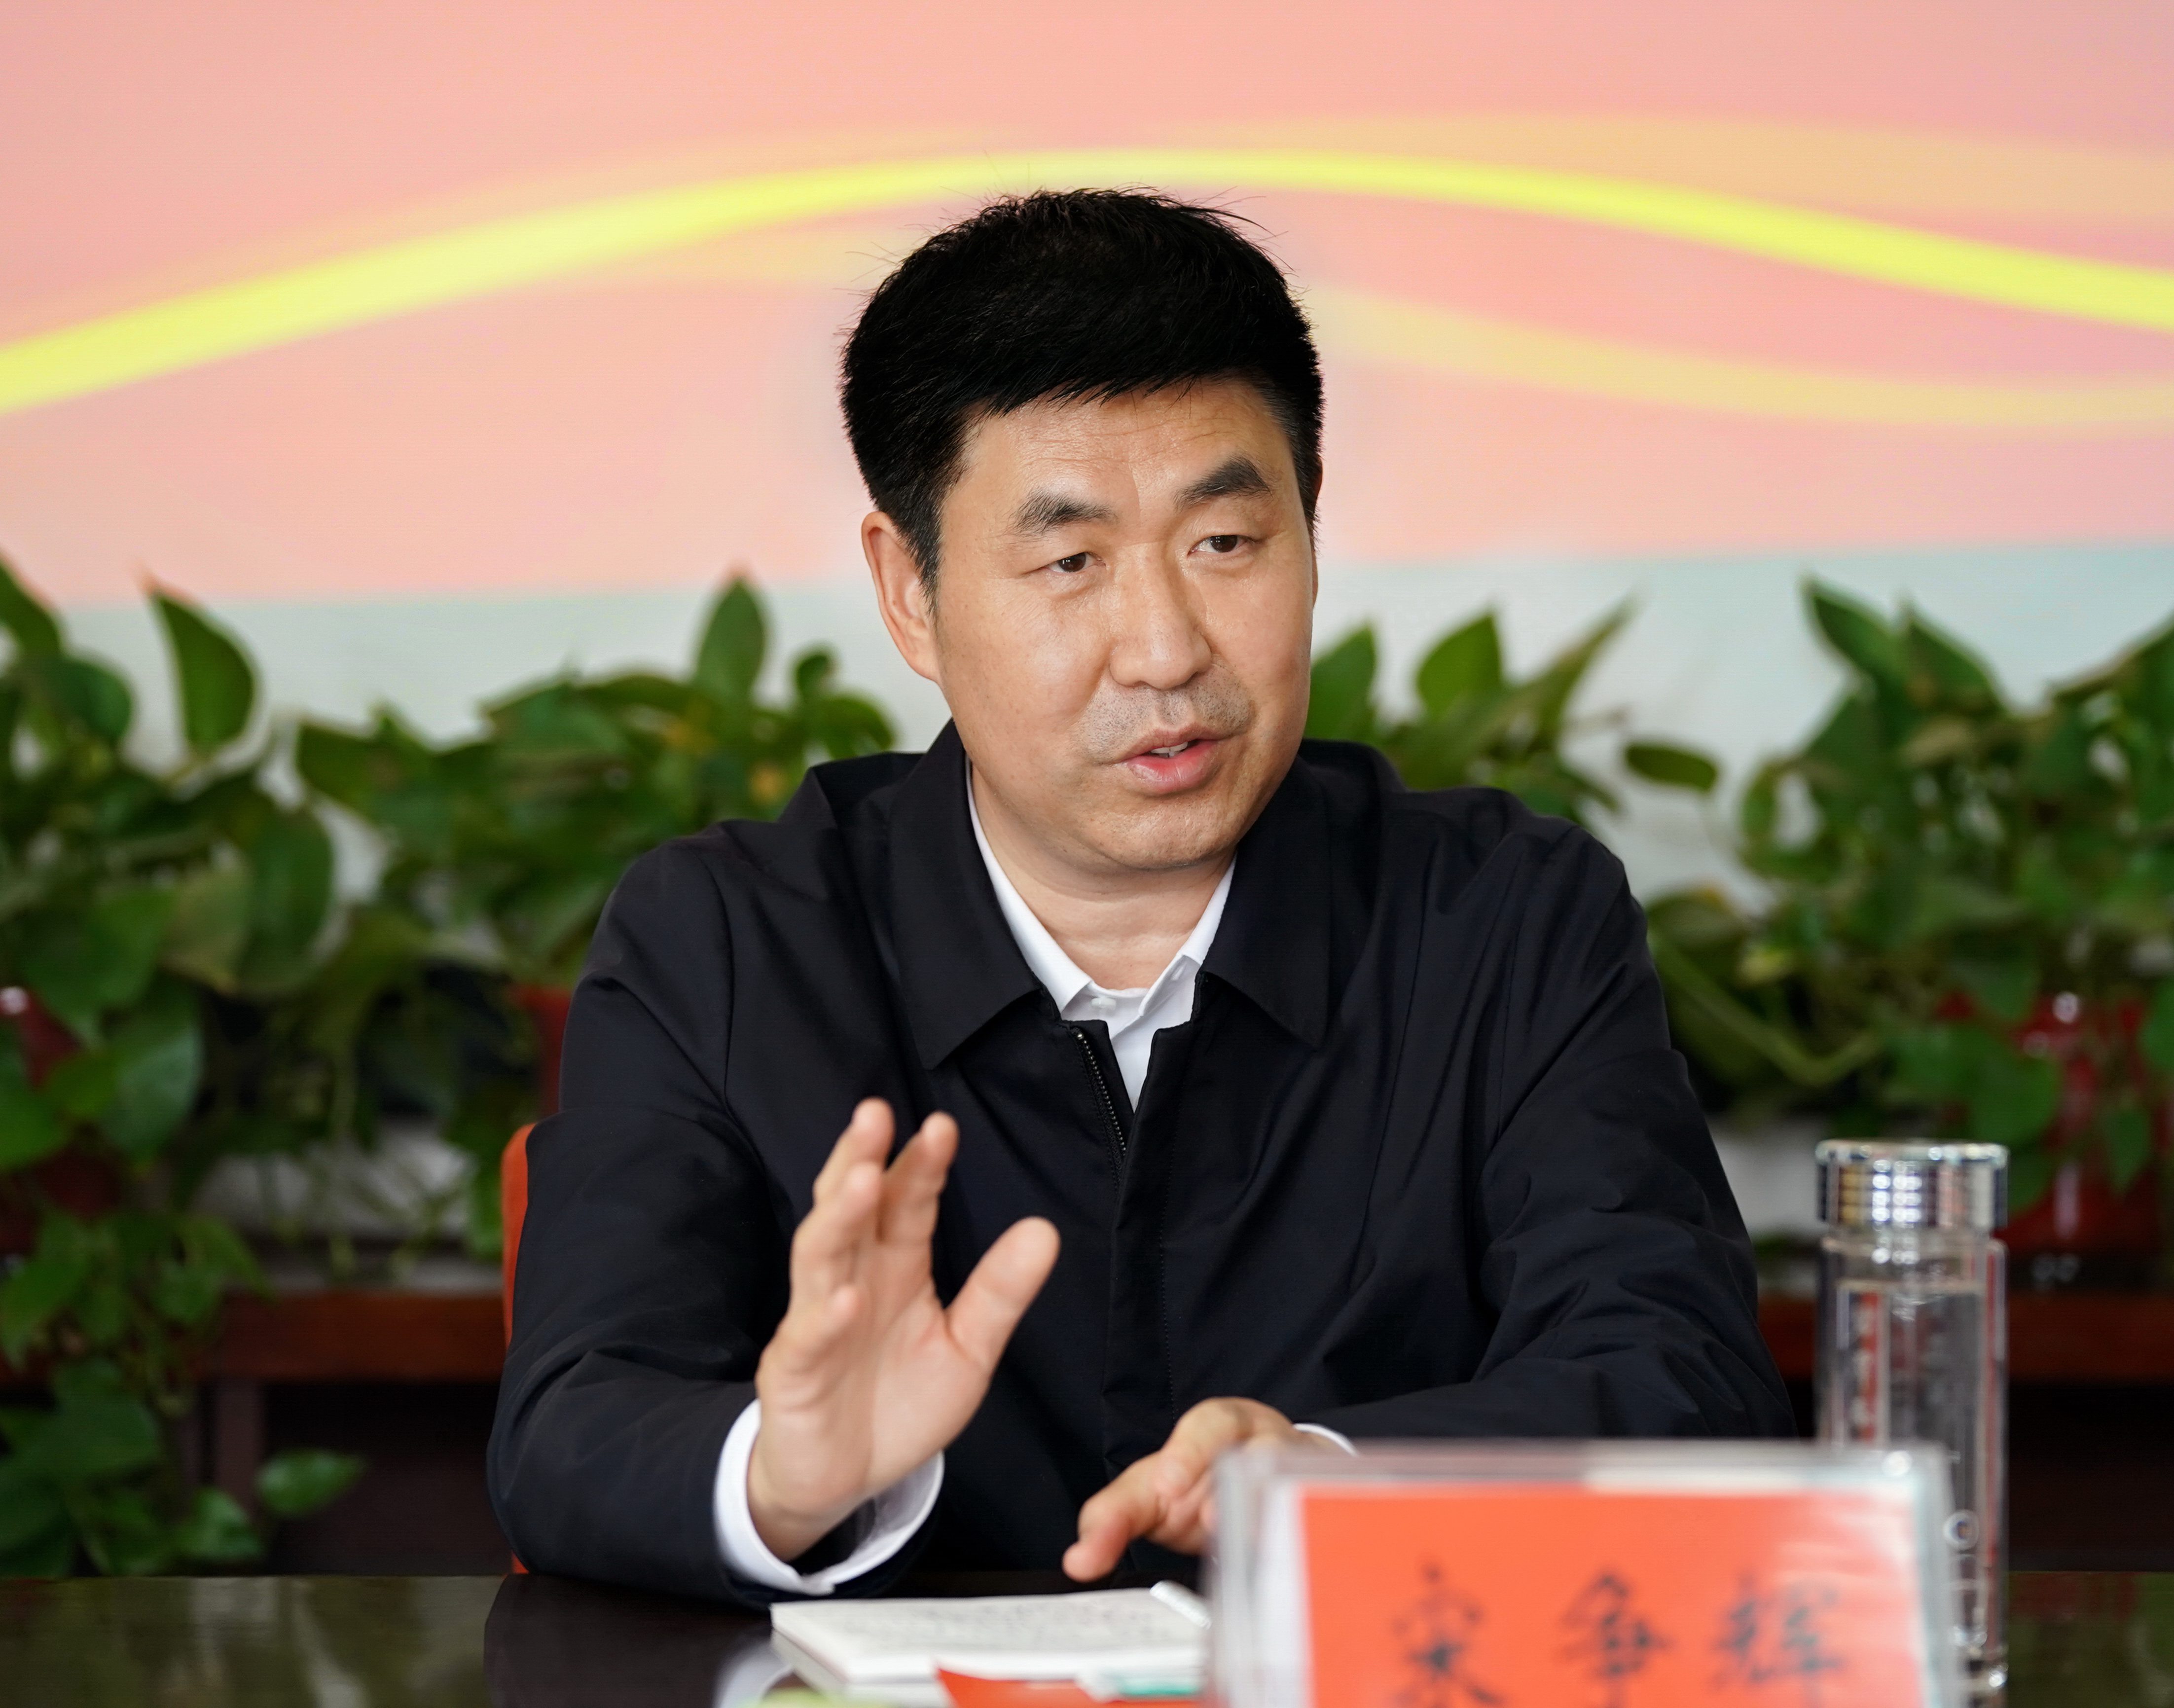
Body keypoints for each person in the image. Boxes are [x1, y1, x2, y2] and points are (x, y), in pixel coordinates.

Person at [488, 190, 1792, 1605]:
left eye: (1224, 543)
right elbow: (573, 1424)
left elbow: (1682, 1376)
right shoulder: (732, 942)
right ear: (910, 592)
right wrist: (785, 1476)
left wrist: (1323, 1480)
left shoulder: (1500, 920)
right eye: (1070, 563)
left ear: (1309, 528)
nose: (1165, 650)